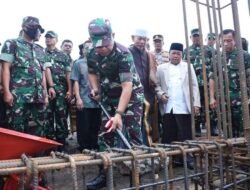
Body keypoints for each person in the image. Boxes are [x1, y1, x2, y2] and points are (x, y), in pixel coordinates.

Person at [86, 18, 144, 190]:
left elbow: (127, 87)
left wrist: (119, 114)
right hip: (108, 94)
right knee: (105, 133)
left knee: (132, 133)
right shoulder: (90, 53)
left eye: (106, 45)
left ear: (113, 35)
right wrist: (95, 89)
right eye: (99, 46)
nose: (103, 49)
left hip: (131, 96)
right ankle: (105, 175)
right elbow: (91, 72)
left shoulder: (123, 53)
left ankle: (136, 177)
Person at [0, 16, 48, 137]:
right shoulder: (12, 44)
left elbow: (42, 73)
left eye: (38, 29)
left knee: (38, 130)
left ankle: (36, 155)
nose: (37, 31)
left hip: (38, 96)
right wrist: (6, 92)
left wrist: (46, 93)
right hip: (18, 97)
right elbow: (5, 68)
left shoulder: (40, 50)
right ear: (24, 28)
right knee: (17, 130)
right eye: (33, 28)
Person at [155, 43, 200, 169]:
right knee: (168, 134)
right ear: (169, 54)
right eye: (173, 53)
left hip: (184, 105)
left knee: (185, 133)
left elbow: (194, 86)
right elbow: (156, 85)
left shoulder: (188, 66)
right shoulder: (161, 68)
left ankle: (187, 158)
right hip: (168, 105)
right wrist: (161, 94)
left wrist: (196, 103)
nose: (175, 56)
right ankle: (169, 159)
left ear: (182, 55)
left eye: (178, 54)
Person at [209, 29, 250, 137]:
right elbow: (212, 77)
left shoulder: (244, 55)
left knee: (243, 128)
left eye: (229, 40)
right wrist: (212, 97)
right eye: (223, 41)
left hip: (240, 99)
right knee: (226, 129)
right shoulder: (217, 58)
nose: (226, 43)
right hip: (222, 100)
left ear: (235, 40)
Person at [70, 40, 101, 151]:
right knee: (83, 127)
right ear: (82, 50)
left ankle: (95, 147)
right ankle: (84, 148)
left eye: (90, 47)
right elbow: (75, 81)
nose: (88, 49)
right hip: (84, 100)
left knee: (96, 126)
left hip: (98, 102)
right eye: (85, 47)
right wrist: (78, 98)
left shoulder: (99, 62)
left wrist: (100, 96)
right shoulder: (78, 63)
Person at [129, 29, 157, 145]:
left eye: (144, 39)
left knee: (146, 123)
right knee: (133, 123)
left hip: (147, 94)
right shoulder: (127, 52)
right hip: (131, 95)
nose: (142, 42)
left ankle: (146, 148)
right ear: (132, 38)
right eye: (139, 39)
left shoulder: (150, 55)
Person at [44, 30, 72, 145]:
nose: (48, 39)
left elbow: (68, 74)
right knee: (48, 115)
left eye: (51, 37)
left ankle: (61, 140)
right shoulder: (40, 52)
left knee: (61, 115)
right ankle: (50, 141)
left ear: (56, 40)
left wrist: (70, 90)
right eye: (46, 37)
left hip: (61, 89)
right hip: (46, 90)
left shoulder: (63, 55)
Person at [183, 28, 212, 136]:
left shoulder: (209, 49)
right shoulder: (186, 51)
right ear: (191, 38)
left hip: (207, 82)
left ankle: (212, 126)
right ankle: (197, 126)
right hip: (194, 84)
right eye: (194, 36)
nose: (196, 38)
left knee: (209, 105)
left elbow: (214, 66)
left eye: (198, 36)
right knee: (195, 105)